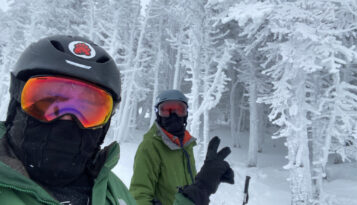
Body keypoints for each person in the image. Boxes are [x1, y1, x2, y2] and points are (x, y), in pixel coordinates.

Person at [0, 35, 233, 205]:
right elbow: (142, 195)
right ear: (15, 102)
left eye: (89, 109)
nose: (68, 119)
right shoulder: (151, 146)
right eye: (47, 102)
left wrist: (199, 190)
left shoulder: (111, 189)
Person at [129, 90, 235, 205]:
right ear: (157, 114)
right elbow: (139, 195)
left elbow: (188, 188)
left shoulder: (185, 145)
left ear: (186, 114)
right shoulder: (150, 146)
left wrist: (209, 176)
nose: (173, 115)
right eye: (166, 110)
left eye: (180, 110)